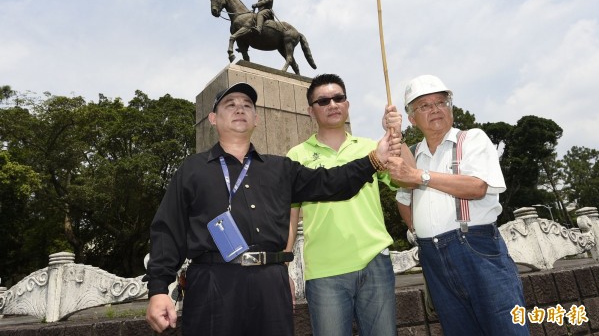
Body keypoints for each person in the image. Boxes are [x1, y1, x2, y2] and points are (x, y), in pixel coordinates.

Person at [144, 82, 400, 336]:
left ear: (257, 119)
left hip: (271, 284)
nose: (239, 109)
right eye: (230, 105)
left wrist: (374, 159)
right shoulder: (192, 169)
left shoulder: (281, 168)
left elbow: (331, 182)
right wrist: (157, 289)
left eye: (247, 105)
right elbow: (168, 229)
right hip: (213, 283)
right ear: (213, 118)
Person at [387, 74, 529, 336]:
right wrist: (416, 231)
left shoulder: (472, 139)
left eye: (441, 102)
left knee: (506, 327)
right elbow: (403, 198)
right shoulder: (416, 152)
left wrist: (421, 176)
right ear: (412, 118)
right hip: (432, 257)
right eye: (424, 106)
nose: (435, 110)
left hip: (476, 247)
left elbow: (477, 187)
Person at [286, 74, 415, 336]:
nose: (332, 104)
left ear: (347, 104)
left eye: (338, 98)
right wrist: (282, 268)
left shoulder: (371, 148)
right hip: (324, 271)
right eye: (323, 101)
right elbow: (289, 219)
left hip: (375, 263)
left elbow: (410, 179)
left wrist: (396, 136)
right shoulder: (295, 156)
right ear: (311, 110)